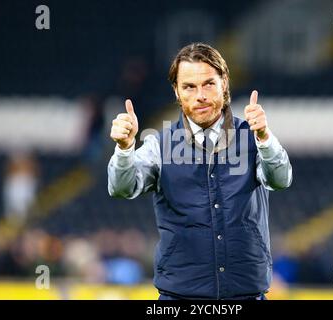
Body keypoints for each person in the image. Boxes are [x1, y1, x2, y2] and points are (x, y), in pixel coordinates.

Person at [107, 43, 292, 300]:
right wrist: (125, 149)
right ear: (177, 91)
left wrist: (264, 137)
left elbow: (281, 180)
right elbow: (121, 188)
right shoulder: (159, 144)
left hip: (246, 294)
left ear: (224, 83)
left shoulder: (254, 137)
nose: (200, 95)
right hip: (179, 296)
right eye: (189, 87)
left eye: (208, 84)